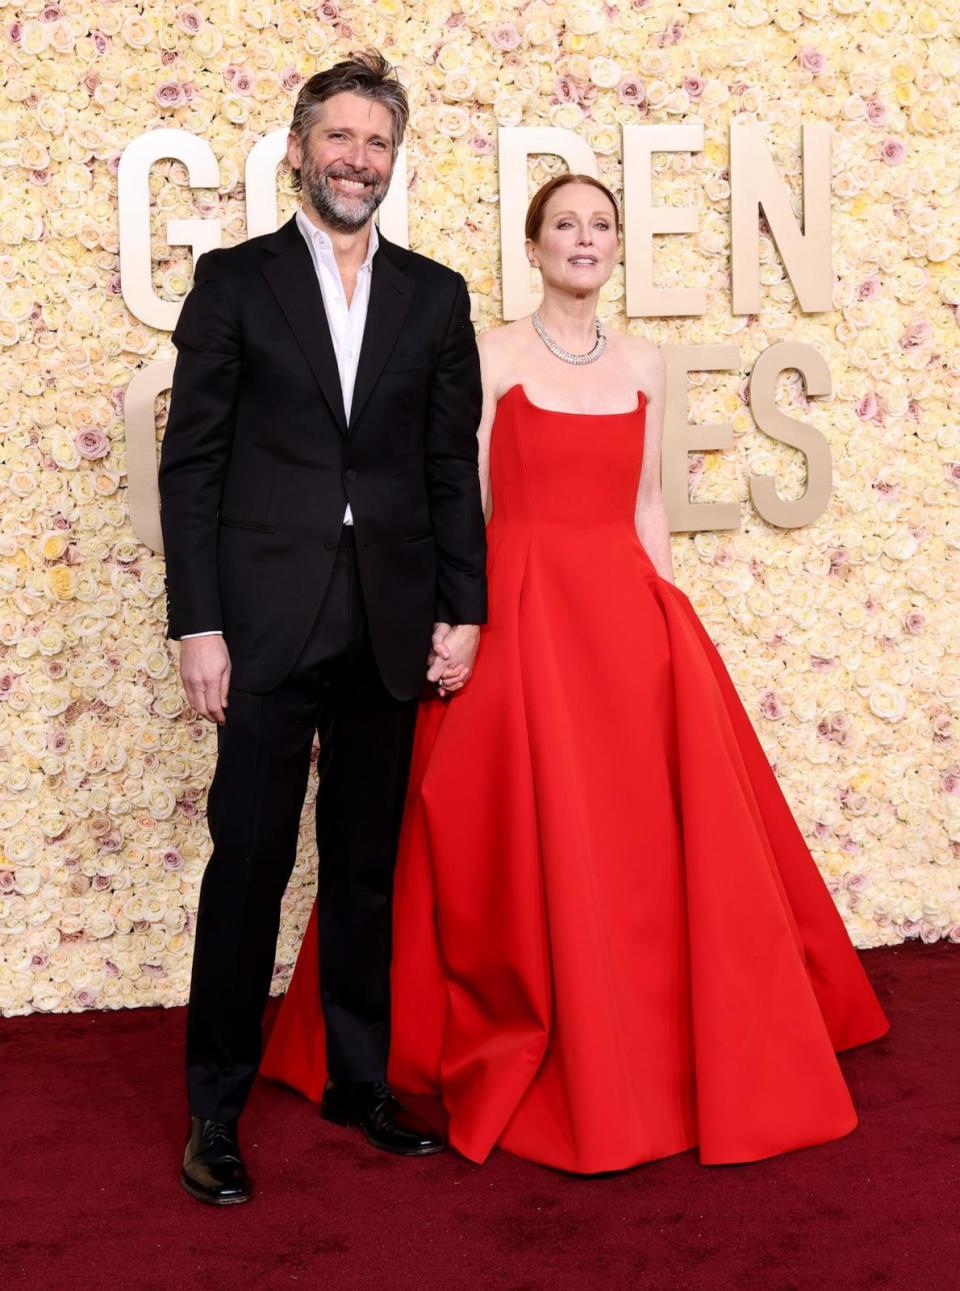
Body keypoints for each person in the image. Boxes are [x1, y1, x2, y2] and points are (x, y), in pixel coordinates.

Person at [261, 173, 889, 1173]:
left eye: (601, 225)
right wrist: (455, 619)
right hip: (516, 612)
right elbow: (453, 497)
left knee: (640, 839)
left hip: (621, 616)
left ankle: (647, 1026)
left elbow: (646, 506)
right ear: (537, 243)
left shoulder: (648, 360)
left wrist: (668, 618)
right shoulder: (491, 352)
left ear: (616, 246)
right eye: (566, 225)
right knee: (494, 824)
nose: (584, 240)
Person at [159, 51, 487, 1205]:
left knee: (362, 868)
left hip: (393, 619)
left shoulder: (435, 295)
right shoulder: (235, 282)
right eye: (338, 139)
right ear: (299, 150)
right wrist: (197, 625)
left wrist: (466, 609)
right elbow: (190, 464)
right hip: (261, 623)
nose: (357, 160)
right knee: (248, 862)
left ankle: (359, 1082)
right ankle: (215, 1109)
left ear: (395, 161)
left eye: (377, 143)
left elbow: (452, 465)